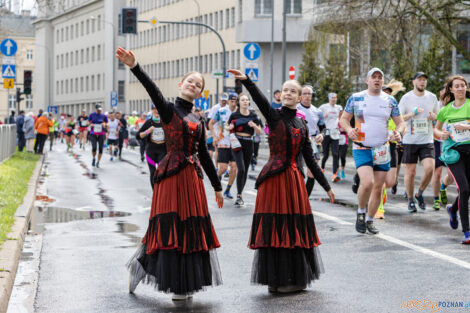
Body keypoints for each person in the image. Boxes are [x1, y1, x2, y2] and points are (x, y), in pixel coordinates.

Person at [117, 47, 224, 299]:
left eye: (198, 85)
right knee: (169, 229)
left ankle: (185, 283)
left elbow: (205, 155)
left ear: (201, 92)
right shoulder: (168, 110)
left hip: (193, 180)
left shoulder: (198, 120)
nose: (193, 86)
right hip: (171, 179)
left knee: (190, 231)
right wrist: (135, 67)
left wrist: (217, 186)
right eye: (190, 81)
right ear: (181, 84)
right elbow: (152, 89)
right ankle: (144, 266)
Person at [227, 69, 334, 293]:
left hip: (294, 181)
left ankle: (291, 278)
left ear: (299, 96)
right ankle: (275, 281)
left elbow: (310, 160)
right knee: (276, 228)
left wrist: (326, 186)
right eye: (285, 90)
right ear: (280, 95)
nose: (288, 93)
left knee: (293, 229)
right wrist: (248, 82)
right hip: (274, 180)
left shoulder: (303, 125)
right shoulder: (274, 115)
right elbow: (260, 100)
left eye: (292, 91)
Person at [340, 68, 405, 234]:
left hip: (382, 149)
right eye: (374, 77)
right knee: (367, 183)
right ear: (367, 80)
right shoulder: (356, 98)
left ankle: (370, 220)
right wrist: (348, 130)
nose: (377, 80)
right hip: (362, 146)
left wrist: (398, 132)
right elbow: (344, 119)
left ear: (383, 82)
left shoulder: (390, 101)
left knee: (379, 187)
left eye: (380, 78)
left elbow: (401, 123)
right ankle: (361, 211)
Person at [434, 75, 470, 244]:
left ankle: (453, 209)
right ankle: (467, 232)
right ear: (452, 89)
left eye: (463, 85)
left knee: (468, 190)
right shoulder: (446, 110)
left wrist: (466, 127)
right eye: (457, 86)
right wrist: (441, 134)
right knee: (463, 189)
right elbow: (436, 129)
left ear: (466, 88)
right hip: (453, 153)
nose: (461, 88)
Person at [399, 72, 439, 213]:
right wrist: (412, 113)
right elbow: (399, 118)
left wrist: (434, 116)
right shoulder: (406, 98)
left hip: (426, 139)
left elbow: (437, 116)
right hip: (410, 139)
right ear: (413, 82)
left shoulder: (432, 97)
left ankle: (419, 193)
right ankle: (410, 200)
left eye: (424, 80)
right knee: (410, 172)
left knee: (430, 169)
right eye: (419, 80)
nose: (422, 82)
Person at [227, 93, 262, 206]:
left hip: (248, 143)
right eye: (243, 100)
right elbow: (227, 126)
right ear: (239, 102)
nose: (245, 102)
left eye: (247, 100)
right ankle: (238, 195)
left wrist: (254, 126)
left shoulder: (253, 115)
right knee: (240, 169)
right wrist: (230, 127)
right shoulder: (234, 115)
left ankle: (240, 195)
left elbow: (260, 132)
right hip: (237, 142)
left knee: (245, 170)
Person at [296, 85, 325, 197]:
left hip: (313, 142)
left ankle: (305, 200)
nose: (307, 96)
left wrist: (322, 135)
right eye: (305, 93)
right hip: (299, 141)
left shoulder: (317, 111)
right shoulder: (296, 109)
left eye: (309, 94)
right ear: (300, 96)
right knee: (298, 170)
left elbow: (323, 127)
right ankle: (296, 196)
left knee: (312, 172)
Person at [209, 93, 238, 199]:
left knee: (234, 169)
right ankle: (215, 182)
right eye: (231, 101)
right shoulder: (221, 111)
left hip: (235, 144)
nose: (233, 103)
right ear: (228, 101)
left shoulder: (239, 112)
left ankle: (227, 190)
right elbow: (211, 123)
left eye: (235, 101)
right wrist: (214, 136)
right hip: (223, 143)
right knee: (222, 168)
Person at [137, 106, 167, 189]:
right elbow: (138, 136)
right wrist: (148, 131)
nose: (157, 110)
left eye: (158, 108)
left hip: (162, 151)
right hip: (151, 151)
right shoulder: (149, 122)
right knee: (153, 172)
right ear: (152, 110)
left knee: (161, 172)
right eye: (154, 109)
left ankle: (161, 191)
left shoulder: (165, 122)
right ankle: (155, 194)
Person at [319, 93, 343, 182]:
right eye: (332, 98)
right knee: (325, 154)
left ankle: (335, 174)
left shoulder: (339, 107)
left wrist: (340, 124)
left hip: (335, 133)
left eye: (335, 98)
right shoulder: (323, 107)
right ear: (329, 99)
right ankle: (322, 168)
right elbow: (317, 116)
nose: (334, 99)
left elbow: (341, 118)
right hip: (326, 133)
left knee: (335, 154)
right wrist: (322, 116)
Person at [208, 93, 229, 169]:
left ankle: (225, 168)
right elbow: (210, 121)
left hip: (226, 133)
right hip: (217, 131)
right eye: (222, 100)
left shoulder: (228, 108)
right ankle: (216, 167)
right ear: (220, 100)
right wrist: (213, 135)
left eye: (225, 100)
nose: (224, 102)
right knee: (217, 150)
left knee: (227, 150)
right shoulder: (215, 108)